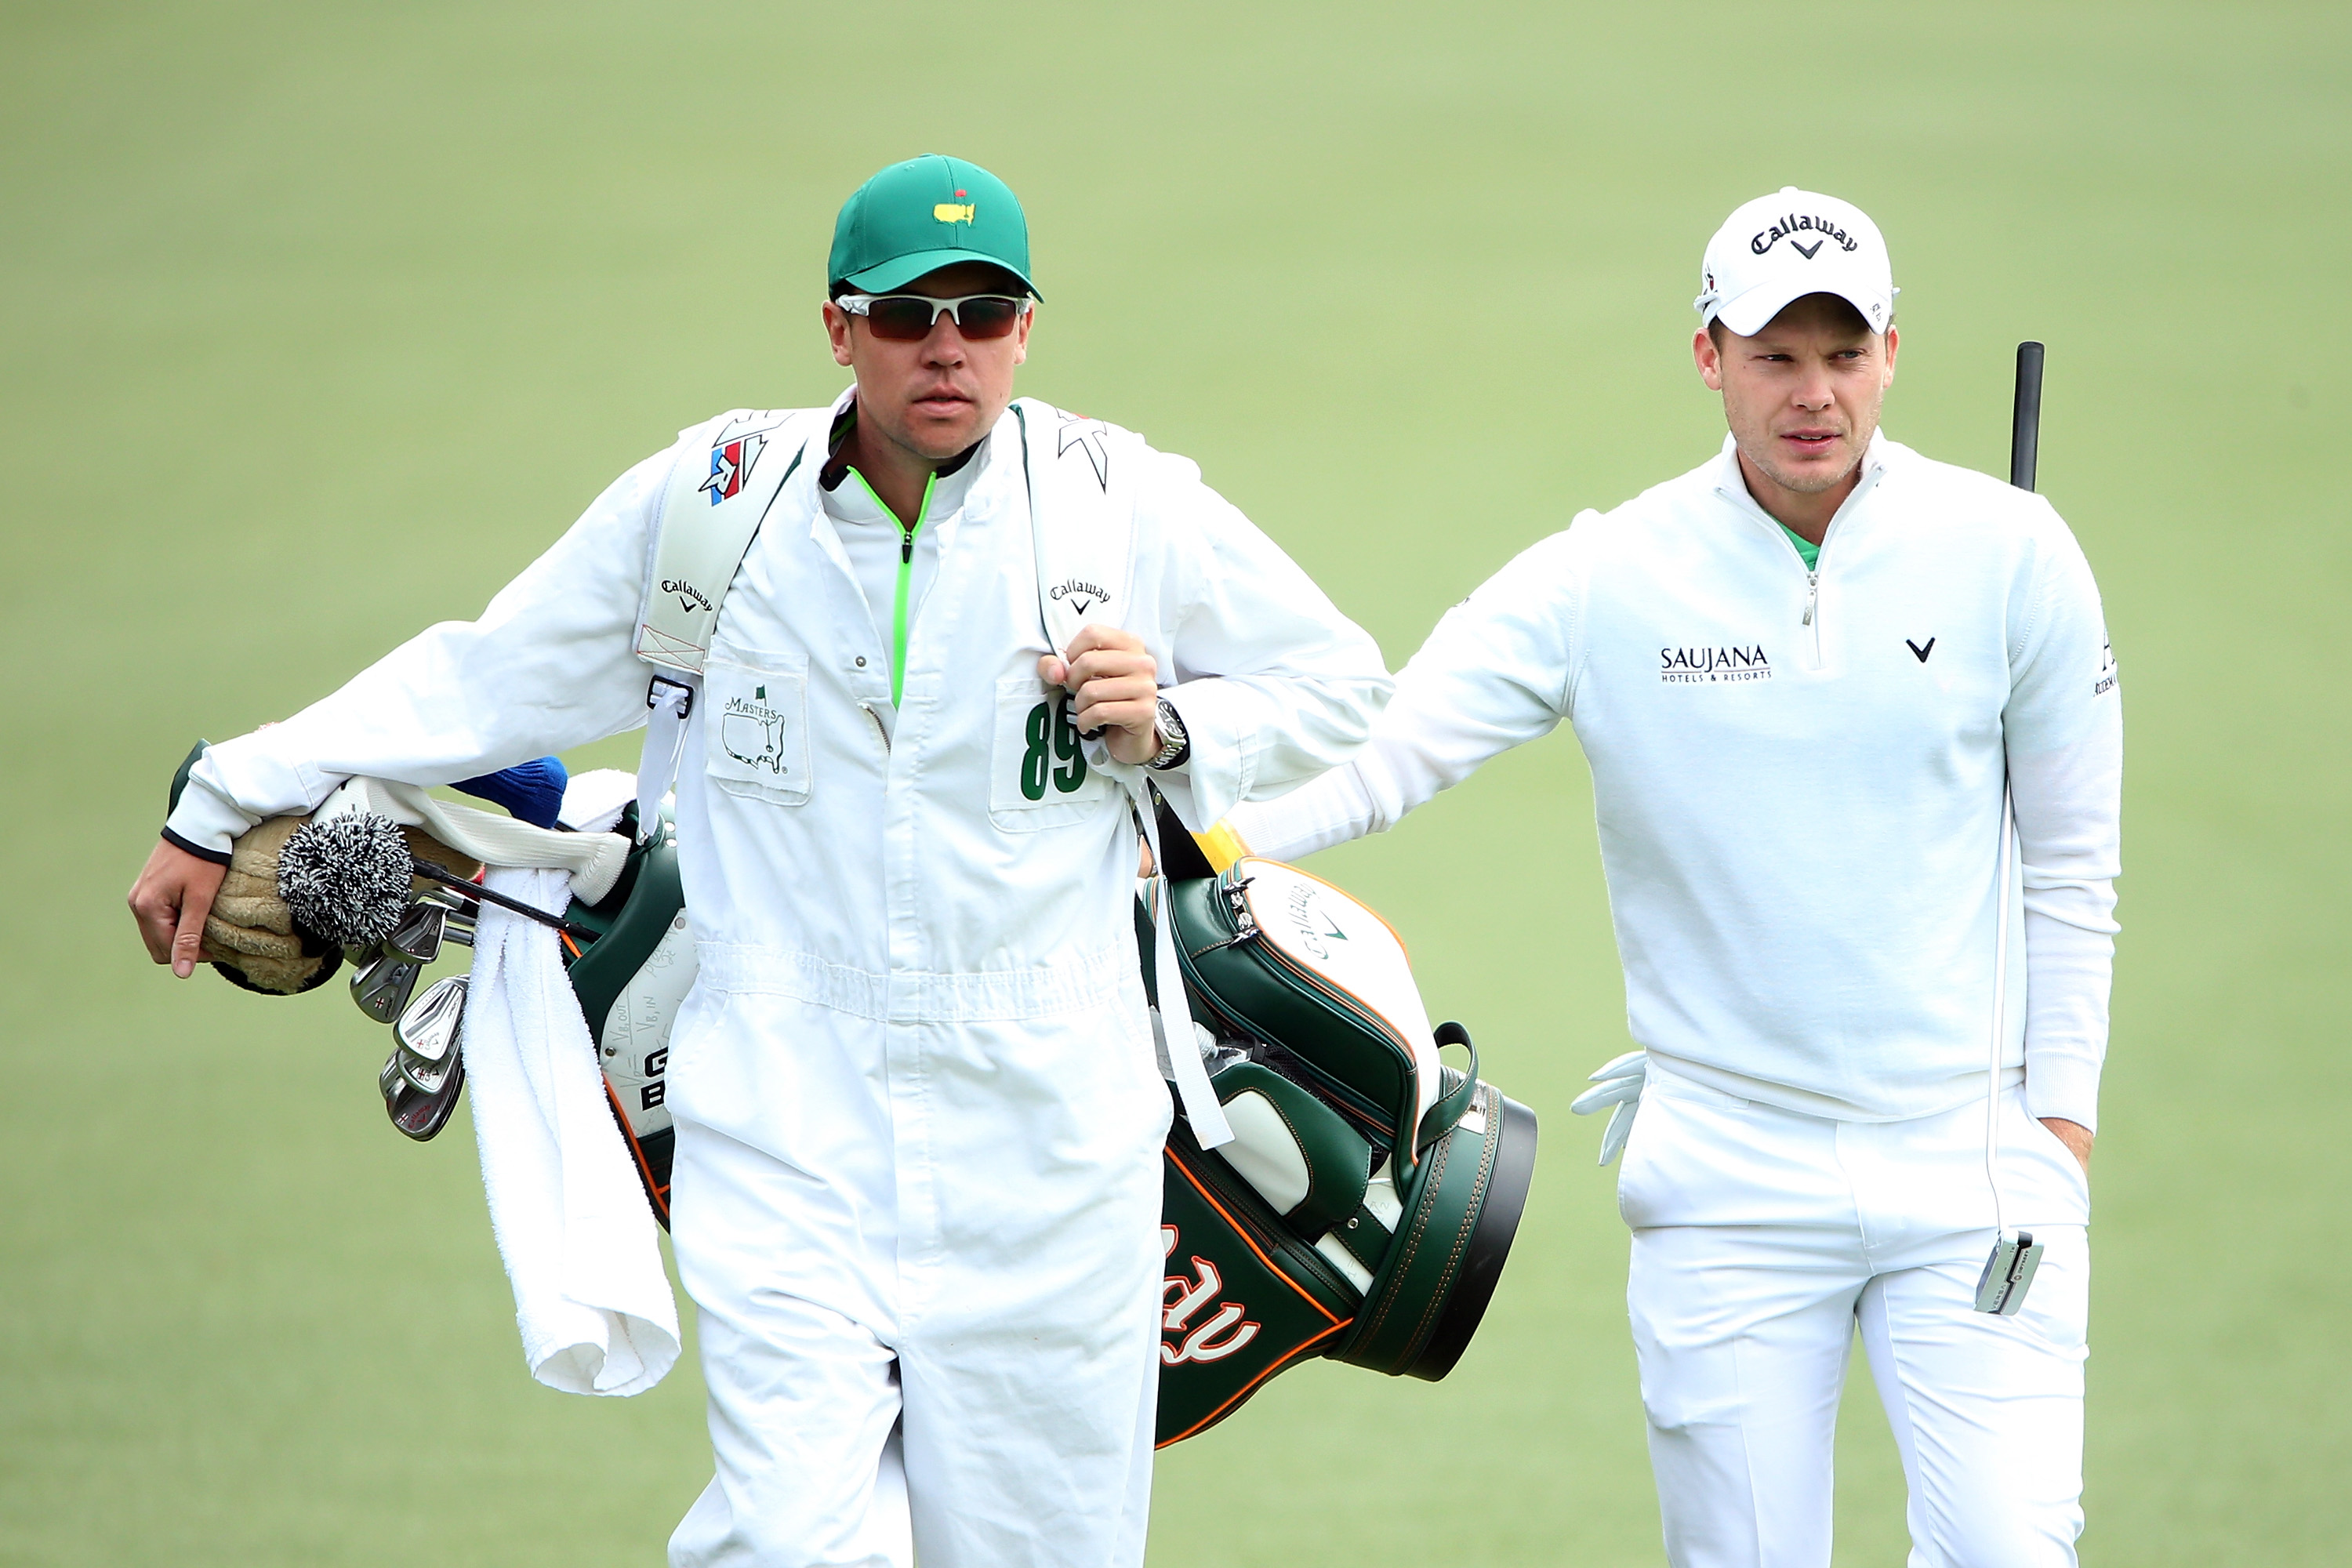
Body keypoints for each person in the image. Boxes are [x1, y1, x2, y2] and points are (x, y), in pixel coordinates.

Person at [125, 153, 1392, 1568]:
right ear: (840, 327)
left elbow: (1342, 683)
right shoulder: (709, 509)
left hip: (1052, 1154)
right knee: (784, 1550)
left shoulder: (1120, 504)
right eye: (907, 315)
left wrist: (1175, 727)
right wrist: (223, 796)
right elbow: (482, 679)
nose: (949, 349)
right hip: (784, 1136)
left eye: (984, 312)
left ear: (1027, 328)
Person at [1214, 187, 2121, 1566]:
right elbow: (1388, 751)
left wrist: (2059, 1131)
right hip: (1728, 1177)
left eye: (1845, 353)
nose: (1814, 394)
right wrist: (1200, 836)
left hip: (1976, 1160)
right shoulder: (1608, 575)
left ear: (1890, 354)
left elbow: (2071, 863)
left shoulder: (2012, 552)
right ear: (1709, 356)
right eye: (1775, 356)